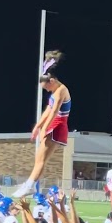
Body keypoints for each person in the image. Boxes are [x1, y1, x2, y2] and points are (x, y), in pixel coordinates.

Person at [14, 51, 70, 199]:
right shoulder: (54, 91)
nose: (46, 90)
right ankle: (29, 185)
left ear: (52, 81)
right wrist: (38, 126)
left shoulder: (61, 91)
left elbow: (55, 111)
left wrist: (45, 128)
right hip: (53, 125)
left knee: (41, 160)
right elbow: (48, 109)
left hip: (57, 127)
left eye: (46, 88)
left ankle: (29, 186)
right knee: (39, 159)